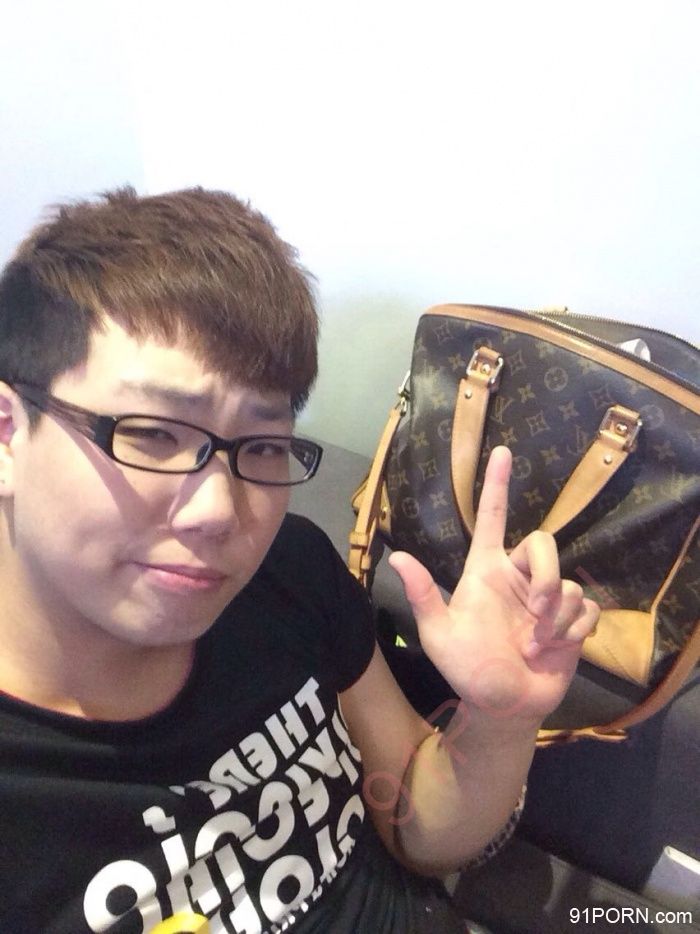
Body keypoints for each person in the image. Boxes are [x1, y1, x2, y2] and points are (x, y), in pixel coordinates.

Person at [0, 187, 599, 934]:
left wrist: (502, 717)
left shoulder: (286, 568)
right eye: (151, 434)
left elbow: (414, 828)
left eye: (262, 446)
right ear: (8, 434)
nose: (219, 510)